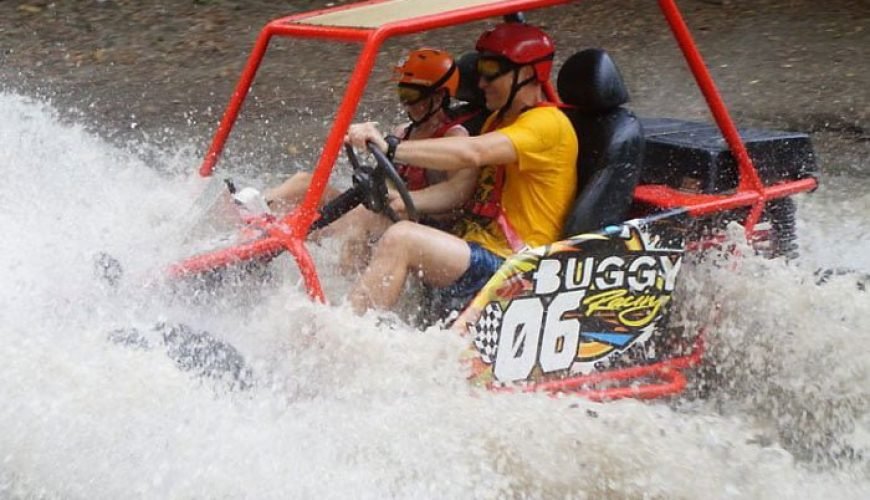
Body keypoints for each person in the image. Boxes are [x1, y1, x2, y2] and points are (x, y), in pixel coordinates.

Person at [345, 23, 579, 316]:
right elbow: (462, 192)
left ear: (529, 73)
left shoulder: (548, 125)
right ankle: (337, 300)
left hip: (515, 265)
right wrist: (402, 202)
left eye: (492, 70)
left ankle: (340, 337)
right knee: (374, 217)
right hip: (472, 244)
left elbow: (472, 153)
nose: (481, 83)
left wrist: (391, 147)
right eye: (480, 70)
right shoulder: (497, 120)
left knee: (402, 237)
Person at [260, 48, 482, 272]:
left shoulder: (454, 138)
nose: (406, 104)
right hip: (392, 214)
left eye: (412, 96)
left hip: (428, 231)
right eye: (402, 94)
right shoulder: (402, 132)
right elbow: (387, 184)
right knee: (305, 183)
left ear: (439, 97)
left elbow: (458, 197)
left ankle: (341, 286)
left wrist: (405, 201)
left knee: (362, 217)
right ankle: (247, 230)